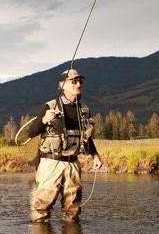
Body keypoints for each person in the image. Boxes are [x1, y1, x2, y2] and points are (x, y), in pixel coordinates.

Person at [23, 68, 103, 222]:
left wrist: (95, 155)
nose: (78, 83)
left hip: (73, 164)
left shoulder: (84, 110)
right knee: (42, 209)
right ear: (62, 85)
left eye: (80, 81)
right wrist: (44, 120)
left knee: (73, 212)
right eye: (74, 81)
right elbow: (31, 132)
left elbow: (87, 137)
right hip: (51, 163)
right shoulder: (50, 106)